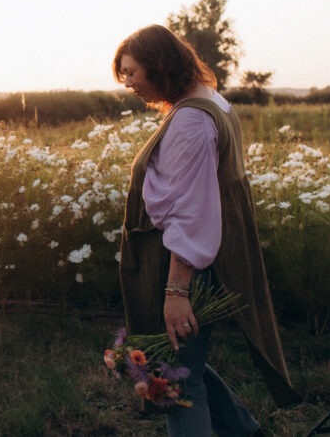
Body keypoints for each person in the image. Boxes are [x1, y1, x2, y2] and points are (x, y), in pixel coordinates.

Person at [113, 24, 301, 436]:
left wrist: (177, 291)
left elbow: (192, 213)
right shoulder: (208, 102)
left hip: (182, 263)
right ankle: (246, 432)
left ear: (158, 66)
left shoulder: (192, 123)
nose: (128, 84)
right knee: (183, 363)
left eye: (132, 72)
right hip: (200, 256)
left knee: (176, 381)